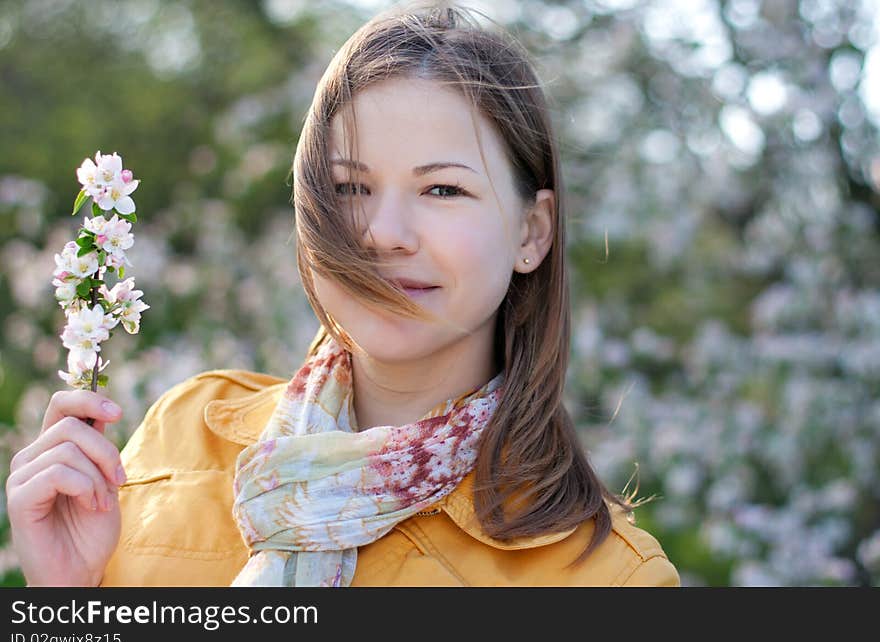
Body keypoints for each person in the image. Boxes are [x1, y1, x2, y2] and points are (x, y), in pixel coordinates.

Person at [6, 1, 679, 587]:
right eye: (351, 187)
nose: (384, 234)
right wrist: (66, 597)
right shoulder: (183, 436)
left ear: (532, 231)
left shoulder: (606, 576)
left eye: (442, 189)